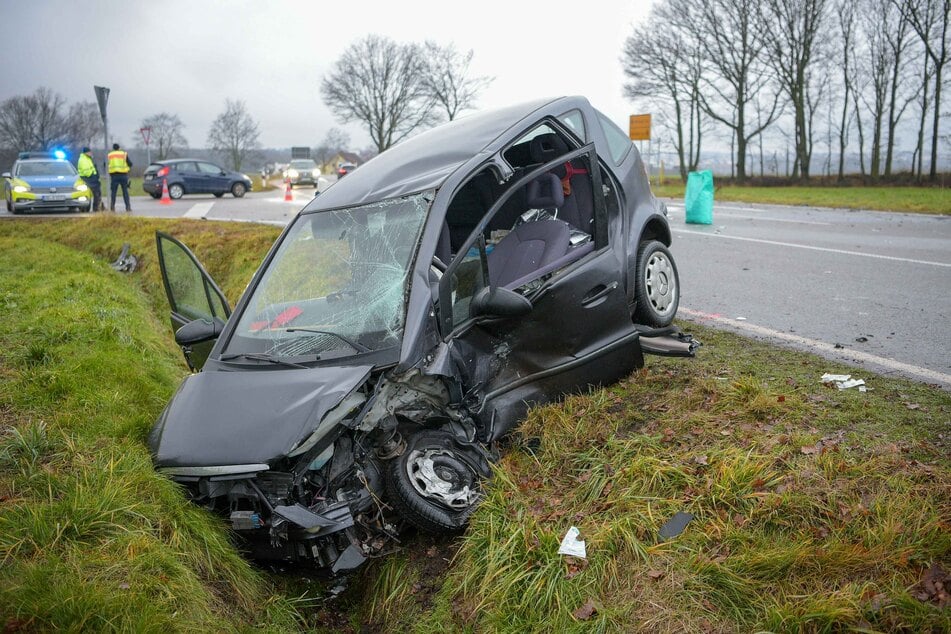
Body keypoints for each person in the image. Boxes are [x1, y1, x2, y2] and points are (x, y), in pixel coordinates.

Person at [107, 142, 133, 212]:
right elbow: (130, 164)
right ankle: (128, 207)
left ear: (113, 148)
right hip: (123, 175)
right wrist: (128, 169)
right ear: (119, 148)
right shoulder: (124, 154)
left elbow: (105, 165)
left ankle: (112, 207)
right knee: (125, 192)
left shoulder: (109, 155)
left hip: (114, 176)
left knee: (113, 192)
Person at [77, 147, 103, 212]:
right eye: (89, 152)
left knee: (98, 193)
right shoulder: (83, 159)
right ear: (86, 152)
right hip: (88, 178)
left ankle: (98, 207)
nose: (91, 153)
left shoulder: (87, 158)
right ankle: (96, 208)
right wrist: (93, 176)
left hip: (92, 178)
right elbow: (87, 172)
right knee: (96, 193)